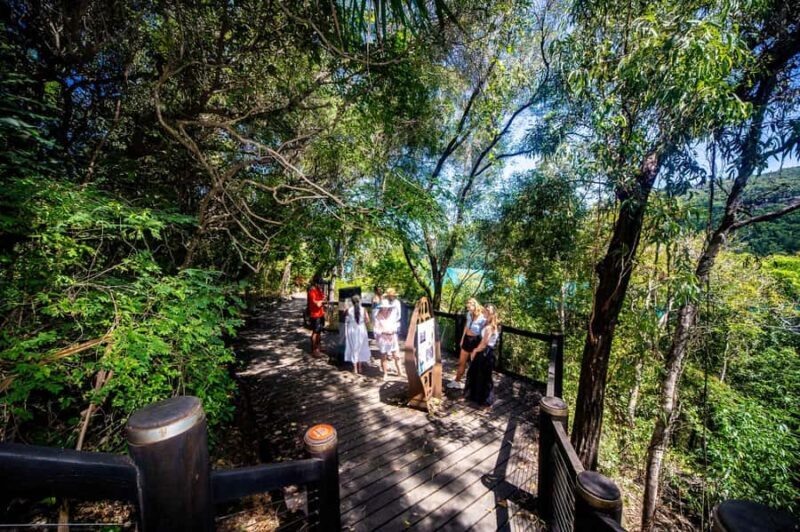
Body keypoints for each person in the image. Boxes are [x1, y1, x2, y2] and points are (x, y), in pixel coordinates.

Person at [463, 304, 500, 406]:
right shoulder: (486, 324)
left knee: (484, 375)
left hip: (486, 353)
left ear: (492, 314)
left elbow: (484, 343)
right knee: (476, 373)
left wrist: (474, 351)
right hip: (483, 351)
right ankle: (476, 396)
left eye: (488, 311)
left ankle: (484, 398)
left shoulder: (490, 327)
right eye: (485, 310)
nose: (485, 312)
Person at [448, 297, 486, 389]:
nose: (467, 307)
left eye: (469, 305)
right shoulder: (469, 314)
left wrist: (481, 346)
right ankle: (457, 381)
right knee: (461, 362)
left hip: (476, 341)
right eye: (467, 305)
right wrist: (462, 339)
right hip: (467, 339)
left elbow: (485, 332)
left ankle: (474, 386)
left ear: (474, 304)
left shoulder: (482, 318)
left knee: (474, 364)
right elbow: (466, 326)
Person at [373, 299, 401, 380]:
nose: (385, 309)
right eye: (383, 307)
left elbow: (397, 324)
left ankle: (400, 372)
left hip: (393, 337)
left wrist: (394, 329)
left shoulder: (392, 314)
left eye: (386, 307)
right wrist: (383, 331)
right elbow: (375, 329)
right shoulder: (377, 316)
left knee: (396, 356)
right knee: (384, 356)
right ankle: (385, 373)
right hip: (383, 338)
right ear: (381, 307)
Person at [344, 294, 371, 374]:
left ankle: (355, 368)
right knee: (361, 347)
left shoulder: (348, 310)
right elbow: (367, 321)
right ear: (359, 301)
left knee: (353, 347)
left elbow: (346, 320)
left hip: (352, 330)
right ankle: (360, 367)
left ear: (352, 302)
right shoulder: (364, 309)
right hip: (361, 329)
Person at [384, 288, 404, 376]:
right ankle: (385, 372)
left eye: (391, 295)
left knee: (396, 350)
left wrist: (393, 323)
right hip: (384, 328)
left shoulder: (397, 303)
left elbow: (398, 315)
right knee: (384, 351)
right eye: (389, 295)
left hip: (393, 327)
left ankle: (400, 371)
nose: (390, 297)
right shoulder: (384, 302)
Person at [307, 276, 326, 356]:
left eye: (322, 284)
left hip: (321, 314)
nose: (321, 285)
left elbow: (324, 300)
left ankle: (318, 347)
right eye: (320, 283)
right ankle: (314, 350)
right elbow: (318, 304)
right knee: (315, 332)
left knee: (319, 331)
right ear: (316, 283)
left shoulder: (319, 291)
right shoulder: (312, 292)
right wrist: (322, 301)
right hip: (315, 315)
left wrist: (322, 301)